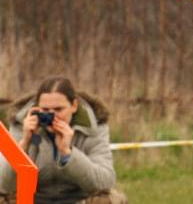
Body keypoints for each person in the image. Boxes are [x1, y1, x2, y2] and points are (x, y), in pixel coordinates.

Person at [0, 76, 127, 204]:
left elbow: (104, 182)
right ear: (36, 107)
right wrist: (24, 143)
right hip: (32, 198)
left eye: (58, 109)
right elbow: (5, 184)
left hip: (78, 199)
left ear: (74, 106)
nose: (51, 115)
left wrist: (68, 153)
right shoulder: (20, 124)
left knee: (112, 199)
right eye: (45, 110)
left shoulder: (94, 125)